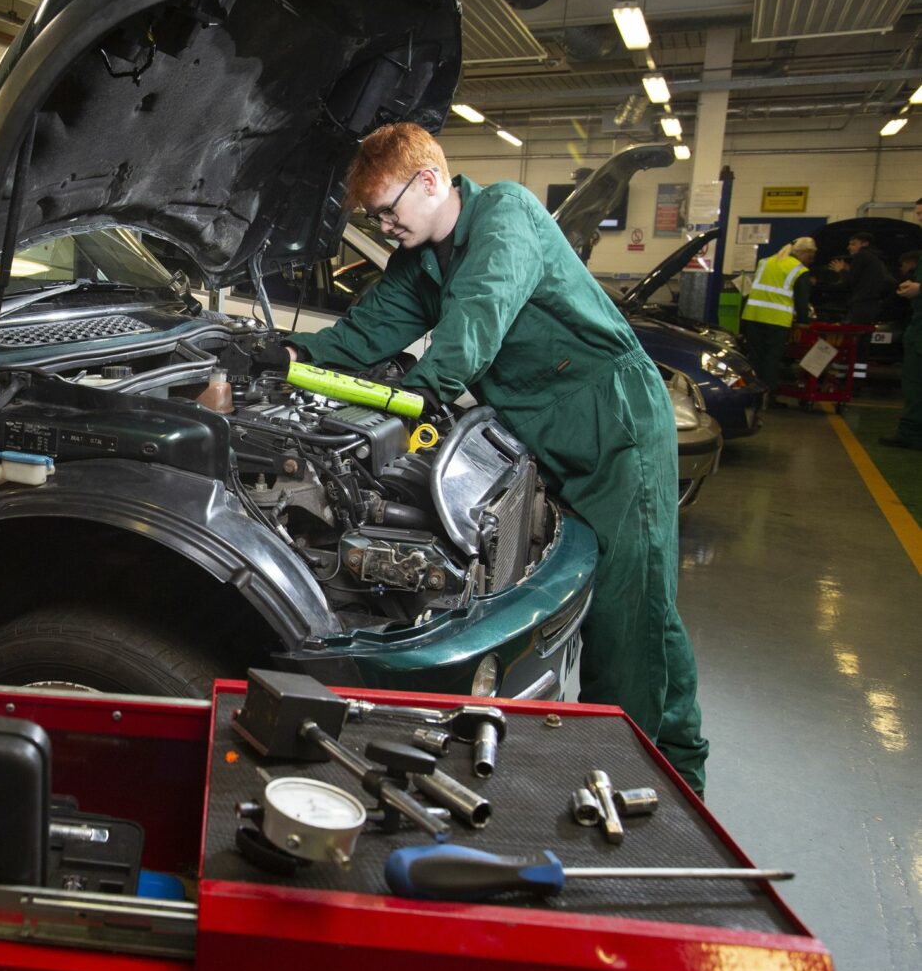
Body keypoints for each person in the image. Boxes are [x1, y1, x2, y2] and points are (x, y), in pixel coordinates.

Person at [276, 123, 709, 794]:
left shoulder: (507, 215)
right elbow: (370, 328)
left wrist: (414, 408)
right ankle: (655, 754)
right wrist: (291, 357)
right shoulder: (422, 258)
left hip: (611, 425)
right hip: (542, 429)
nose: (384, 224)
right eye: (373, 217)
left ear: (429, 181)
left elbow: (474, 322)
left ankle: (646, 777)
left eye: (389, 208)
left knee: (630, 610)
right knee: (627, 597)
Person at [739, 237, 816, 401]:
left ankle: (751, 394)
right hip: (776, 321)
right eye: (811, 256)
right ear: (804, 252)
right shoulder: (799, 270)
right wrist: (804, 321)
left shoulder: (765, 262)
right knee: (771, 360)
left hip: (753, 316)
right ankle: (768, 398)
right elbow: (802, 301)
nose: (811, 260)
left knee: (755, 358)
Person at [881, 245, 922, 450]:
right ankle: (909, 434)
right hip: (917, 329)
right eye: (917, 211)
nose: (919, 214)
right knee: (913, 386)